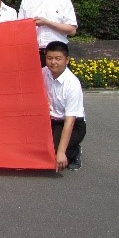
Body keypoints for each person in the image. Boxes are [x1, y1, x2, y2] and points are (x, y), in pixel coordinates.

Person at [18, 0, 77, 67]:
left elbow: (72, 30)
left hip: (57, 53)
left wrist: (47, 23)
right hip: (33, 52)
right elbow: (20, 28)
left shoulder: (63, 0)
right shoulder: (27, 0)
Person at [42, 40, 86, 172]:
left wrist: (61, 152)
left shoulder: (72, 84)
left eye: (58, 58)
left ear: (67, 60)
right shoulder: (44, 72)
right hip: (51, 121)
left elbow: (69, 122)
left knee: (54, 153)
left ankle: (74, 152)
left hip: (73, 124)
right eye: (49, 58)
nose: (53, 62)